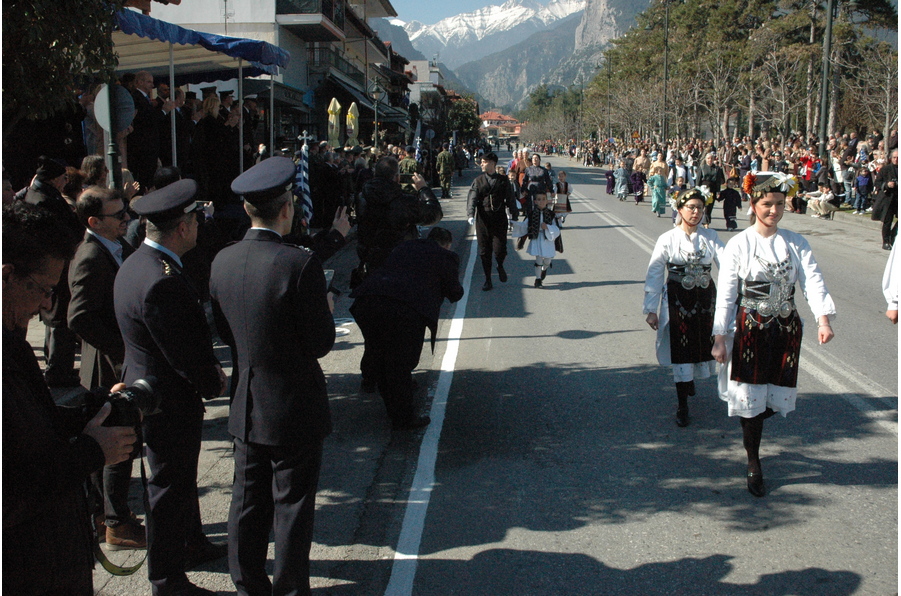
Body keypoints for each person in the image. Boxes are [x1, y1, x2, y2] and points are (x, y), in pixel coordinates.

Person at [209, 158, 336, 596]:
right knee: (292, 506)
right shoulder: (298, 264)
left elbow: (224, 332)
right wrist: (327, 310)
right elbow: (319, 343)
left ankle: (247, 584)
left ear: (248, 209)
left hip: (246, 402)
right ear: (287, 209)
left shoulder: (222, 260)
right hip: (293, 405)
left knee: (246, 503)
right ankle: (289, 589)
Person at [3, 201, 137, 595]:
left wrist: (93, 407)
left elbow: (31, 426)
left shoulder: (12, 342)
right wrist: (91, 453)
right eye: (43, 289)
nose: (47, 304)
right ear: (6, 275)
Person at [114, 179, 228, 595]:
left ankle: (192, 543)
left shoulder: (137, 263)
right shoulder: (162, 280)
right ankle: (167, 579)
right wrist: (212, 381)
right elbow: (184, 352)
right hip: (167, 401)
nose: (198, 226)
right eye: (195, 221)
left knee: (179, 480)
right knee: (167, 489)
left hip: (150, 387)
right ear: (182, 228)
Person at [711, 172, 836, 498]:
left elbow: (813, 281)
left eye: (779, 204)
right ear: (754, 204)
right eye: (767, 204)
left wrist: (823, 320)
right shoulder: (739, 244)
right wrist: (720, 337)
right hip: (750, 329)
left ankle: (754, 428)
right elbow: (726, 294)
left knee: (771, 397)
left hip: (784, 329)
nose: (774, 210)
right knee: (749, 398)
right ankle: (753, 460)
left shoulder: (796, 243)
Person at [68, 186, 145, 549]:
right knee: (119, 444)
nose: (126, 218)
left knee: (118, 444)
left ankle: (105, 516)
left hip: (115, 363)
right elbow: (78, 317)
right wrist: (122, 351)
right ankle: (116, 522)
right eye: (118, 215)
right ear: (94, 221)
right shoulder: (90, 255)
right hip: (107, 368)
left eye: (125, 211)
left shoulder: (114, 246)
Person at [349, 227, 464, 429]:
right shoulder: (445, 256)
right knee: (400, 364)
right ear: (447, 245)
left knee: (380, 354)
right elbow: (455, 293)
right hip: (404, 309)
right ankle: (403, 417)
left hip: (367, 301)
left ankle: (391, 404)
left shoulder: (405, 247)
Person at [644, 188, 725, 426]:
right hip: (678, 301)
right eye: (691, 207)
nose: (696, 212)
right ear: (680, 209)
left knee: (700, 345)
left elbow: (728, 267)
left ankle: (689, 381)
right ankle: (682, 405)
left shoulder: (711, 237)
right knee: (681, 351)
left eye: (700, 207)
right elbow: (655, 273)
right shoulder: (667, 239)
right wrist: (651, 309)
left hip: (705, 302)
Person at [20, 156, 85, 388]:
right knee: (58, 317)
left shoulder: (38, 194)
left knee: (53, 316)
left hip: (50, 264)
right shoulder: (46, 200)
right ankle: (58, 370)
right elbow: (62, 232)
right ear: (55, 179)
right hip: (54, 264)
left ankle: (55, 364)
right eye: (63, 178)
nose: (65, 182)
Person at [467, 151, 518, 291]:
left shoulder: (503, 180)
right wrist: (470, 214)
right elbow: (472, 198)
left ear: (492, 163)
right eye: (481, 162)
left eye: (484, 162)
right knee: (484, 251)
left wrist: (514, 215)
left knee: (500, 249)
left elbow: (511, 198)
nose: (481, 164)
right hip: (483, 220)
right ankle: (488, 280)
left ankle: (500, 264)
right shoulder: (478, 181)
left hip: (499, 219)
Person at [513, 192, 560, 288]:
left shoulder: (551, 214)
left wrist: (547, 227)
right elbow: (524, 225)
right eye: (539, 199)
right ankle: (538, 279)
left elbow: (556, 228)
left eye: (543, 199)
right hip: (537, 237)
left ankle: (544, 269)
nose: (541, 201)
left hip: (548, 238)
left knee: (548, 260)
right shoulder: (531, 214)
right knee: (538, 259)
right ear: (535, 201)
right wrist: (513, 223)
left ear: (547, 201)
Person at [873, 149, 898, 250]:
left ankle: (893, 235)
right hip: (888, 199)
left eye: (898, 158)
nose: (896, 159)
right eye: (894, 157)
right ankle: (886, 242)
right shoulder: (886, 169)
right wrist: (887, 185)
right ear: (891, 158)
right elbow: (877, 183)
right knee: (888, 221)